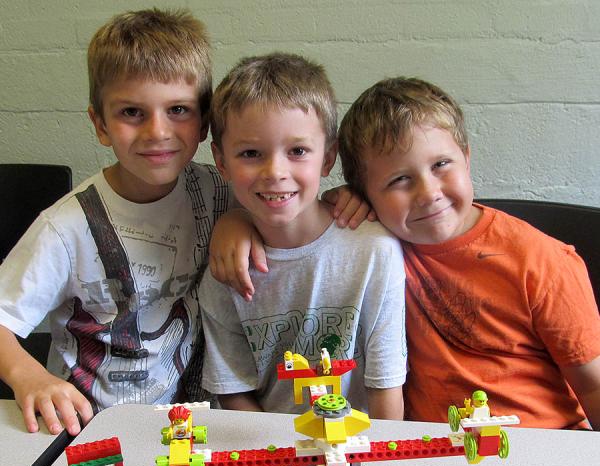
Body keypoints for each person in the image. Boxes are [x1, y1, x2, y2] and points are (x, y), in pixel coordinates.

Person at [0, 8, 231, 436]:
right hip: (84, 426)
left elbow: (293, 208)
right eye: (131, 112)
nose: (157, 131)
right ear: (100, 124)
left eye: (178, 109)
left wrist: (344, 198)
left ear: (204, 121)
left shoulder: (221, 191)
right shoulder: (65, 227)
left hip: (191, 425)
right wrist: (28, 376)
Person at [333, 76, 600, 429]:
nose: (428, 193)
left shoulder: (541, 260)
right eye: (399, 180)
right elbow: (295, 227)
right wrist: (239, 225)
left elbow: (593, 386)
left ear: (467, 158)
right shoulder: (378, 250)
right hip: (435, 454)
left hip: (542, 443)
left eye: (441, 164)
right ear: (366, 195)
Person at [198, 52, 406, 418]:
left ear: (328, 157)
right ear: (221, 161)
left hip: (357, 452)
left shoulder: (375, 250)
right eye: (250, 153)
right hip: (270, 453)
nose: (275, 171)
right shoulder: (224, 273)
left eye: (297, 151)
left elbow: (386, 385)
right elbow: (234, 393)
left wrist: (373, 464)